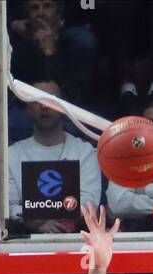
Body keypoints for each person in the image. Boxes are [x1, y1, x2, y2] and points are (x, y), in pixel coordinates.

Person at [7, 80, 101, 233]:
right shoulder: (12, 154)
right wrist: (39, 223)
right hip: (25, 239)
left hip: (77, 238)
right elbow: (9, 206)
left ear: (63, 107)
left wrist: (38, 216)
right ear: (28, 108)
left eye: (51, 99)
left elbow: (89, 203)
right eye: (36, 100)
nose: (44, 106)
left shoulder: (85, 152)